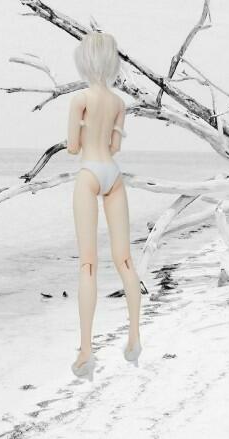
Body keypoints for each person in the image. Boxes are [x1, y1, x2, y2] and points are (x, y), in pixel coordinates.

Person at [66, 31, 143, 378]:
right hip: (113, 174)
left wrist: (83, 132)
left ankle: (86, 351)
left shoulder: (80, 99)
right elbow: (115, 148)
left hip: (89, 173)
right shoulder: (119, 103)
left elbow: (72, 147)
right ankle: (134, 336)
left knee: (88, 265)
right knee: (124, 260)